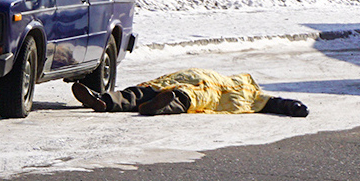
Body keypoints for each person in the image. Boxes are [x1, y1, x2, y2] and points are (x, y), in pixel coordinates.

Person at [72, 68, 309, 117]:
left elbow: (278, 103)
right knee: (144, 90)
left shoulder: (253, 94)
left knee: (181, 97)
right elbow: (276, 102)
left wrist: (295, 106)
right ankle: (102, 100)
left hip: (199, 91)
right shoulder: (233, 82)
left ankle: (156, 106)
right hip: (186, 80)